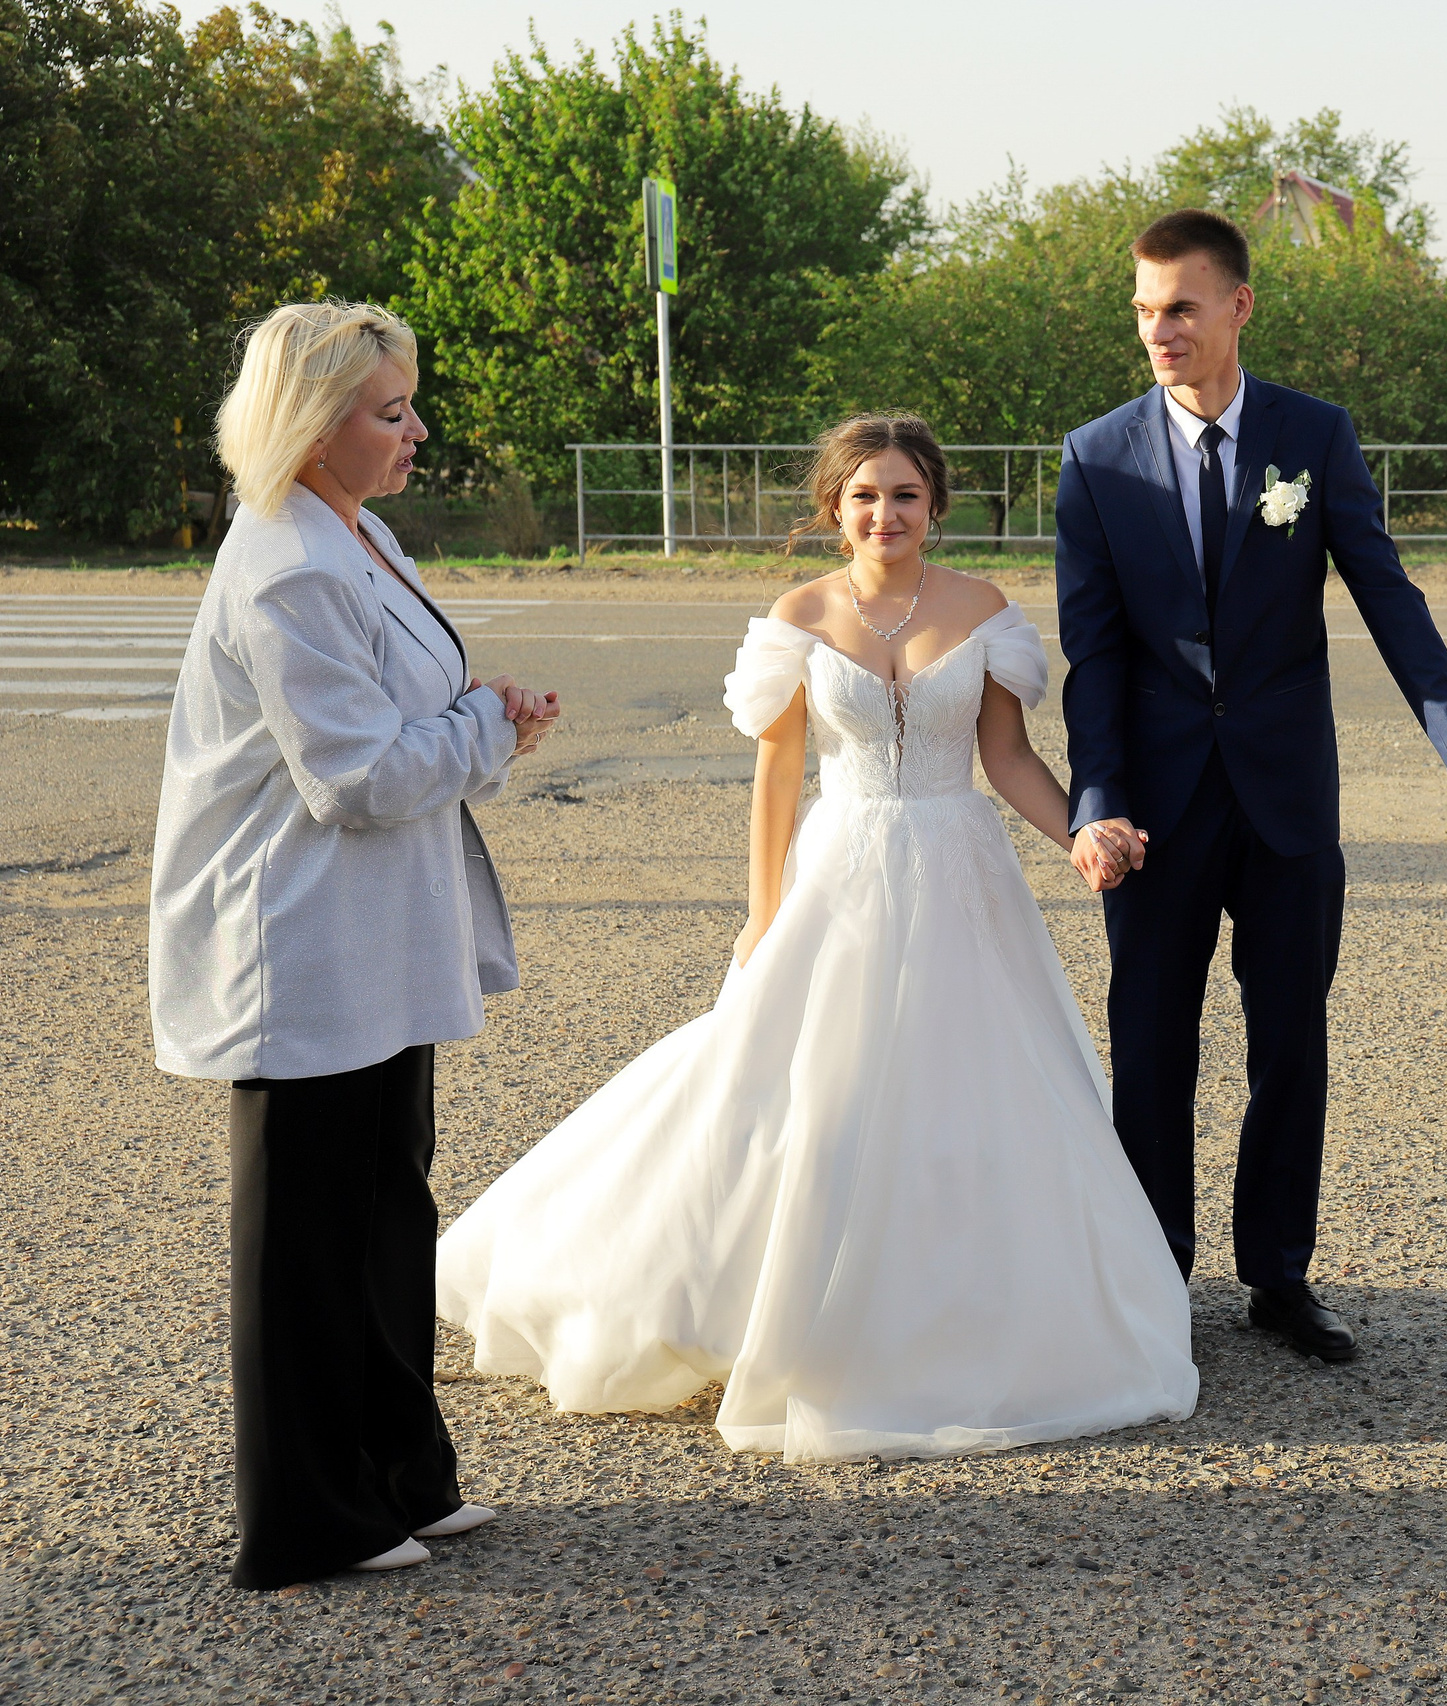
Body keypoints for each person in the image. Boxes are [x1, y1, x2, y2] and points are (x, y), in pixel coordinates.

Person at [436, 414, 1197, 1461]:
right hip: (838, 870)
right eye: (865, 497)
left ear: (936, 504)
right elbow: (778, 776)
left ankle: (961, 1306)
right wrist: (762, 912)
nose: (886, 514)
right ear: (834, 509)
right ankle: (758, 1299)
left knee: (972, 1086)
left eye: (905, 496)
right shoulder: (799, 614)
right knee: (797, 1087)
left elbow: (1008, 757)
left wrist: (1080, 832)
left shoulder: (984, 613)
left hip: (957, 868)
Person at [1053, 209, 1447, 1366]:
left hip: (1285, 800)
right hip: (1155, 813)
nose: (1158, 329)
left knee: (1290, 1040)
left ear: (1238, 306)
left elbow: (1388, 599)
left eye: (1179, 305)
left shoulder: (1312, 436)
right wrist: (1095, 804)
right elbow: (1097, 656)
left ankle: (1278, 1276)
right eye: (1142, 309)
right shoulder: (1095, 456)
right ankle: (1150, 1276)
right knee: (1152, 1042)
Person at [150, 300, 559, 1589]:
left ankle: (398, 1471)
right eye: (390, 413)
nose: (416, 430)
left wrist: (480, 709)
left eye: (406, 405)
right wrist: (487, 731)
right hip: (302, 938)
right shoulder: (285, 565)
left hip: (371, 932)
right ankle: (306, 1515)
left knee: (388, 1207)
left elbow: (406, 714)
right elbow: (357, 778)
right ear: (311, 426)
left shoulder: (358, 532)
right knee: (307, 1239)